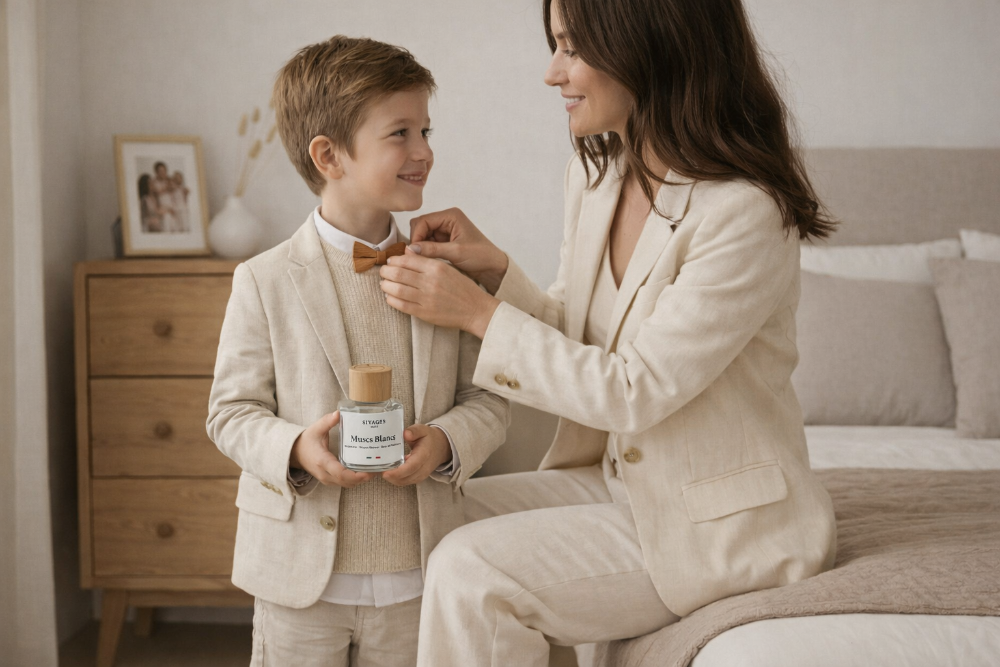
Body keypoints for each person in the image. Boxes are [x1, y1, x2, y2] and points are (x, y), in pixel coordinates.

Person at [376, 0, 839, 664]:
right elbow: (585, 338)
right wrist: (496, 272)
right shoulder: (599, 178)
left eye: (571, 48)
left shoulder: (743, 212)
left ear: (646, 46)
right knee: (425, 520)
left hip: (720, 525)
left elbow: (633, 389)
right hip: (619, 485)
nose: (551, 72)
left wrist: (477, 314)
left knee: (472, 569)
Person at [206, 36, 509, 667]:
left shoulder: (446, 275)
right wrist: (294, 448)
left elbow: (489, 399)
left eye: (426, 130)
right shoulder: (262, 279)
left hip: (422, 580)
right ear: (328, 155)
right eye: (400, 133)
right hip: (297, 588)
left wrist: (448, 441)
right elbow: (231, 412)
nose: (424, 152)